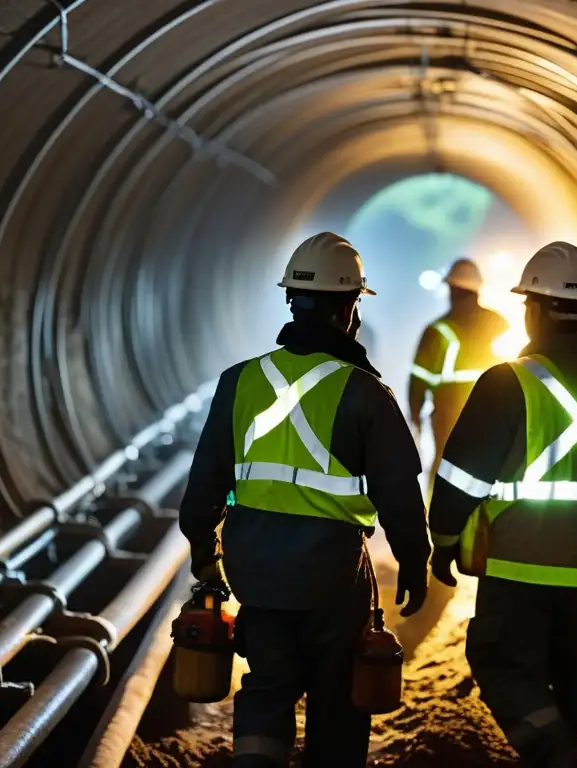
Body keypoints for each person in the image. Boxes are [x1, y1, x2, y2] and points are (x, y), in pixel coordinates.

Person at [177, 232, 431, 768]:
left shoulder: (238, 382)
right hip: (332, 576)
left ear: (292, 299)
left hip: (256, 570)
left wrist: (205, 550)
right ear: (349, 307)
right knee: (337, 697)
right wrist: (413, 558)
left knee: (267, 685)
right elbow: (399, 491)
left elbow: (203, 485)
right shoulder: (365, 392)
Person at [428, 242, 577, 767]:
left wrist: (443, 541)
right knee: (561, 668)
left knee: (498, 659)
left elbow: (460, 478)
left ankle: (560, 753)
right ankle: (560, 741)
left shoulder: (506, 382)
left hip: (517, 564)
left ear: (531, 309)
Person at [402, 257, 508, 655]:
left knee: (443, 490)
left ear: (451, 289)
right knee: (490, 496)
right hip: (496, 430)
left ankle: (441, 547)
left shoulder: (438, 331)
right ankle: (483, 553)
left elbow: (419, 381)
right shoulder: (500, 324)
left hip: (449, 429)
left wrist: (414, 417)